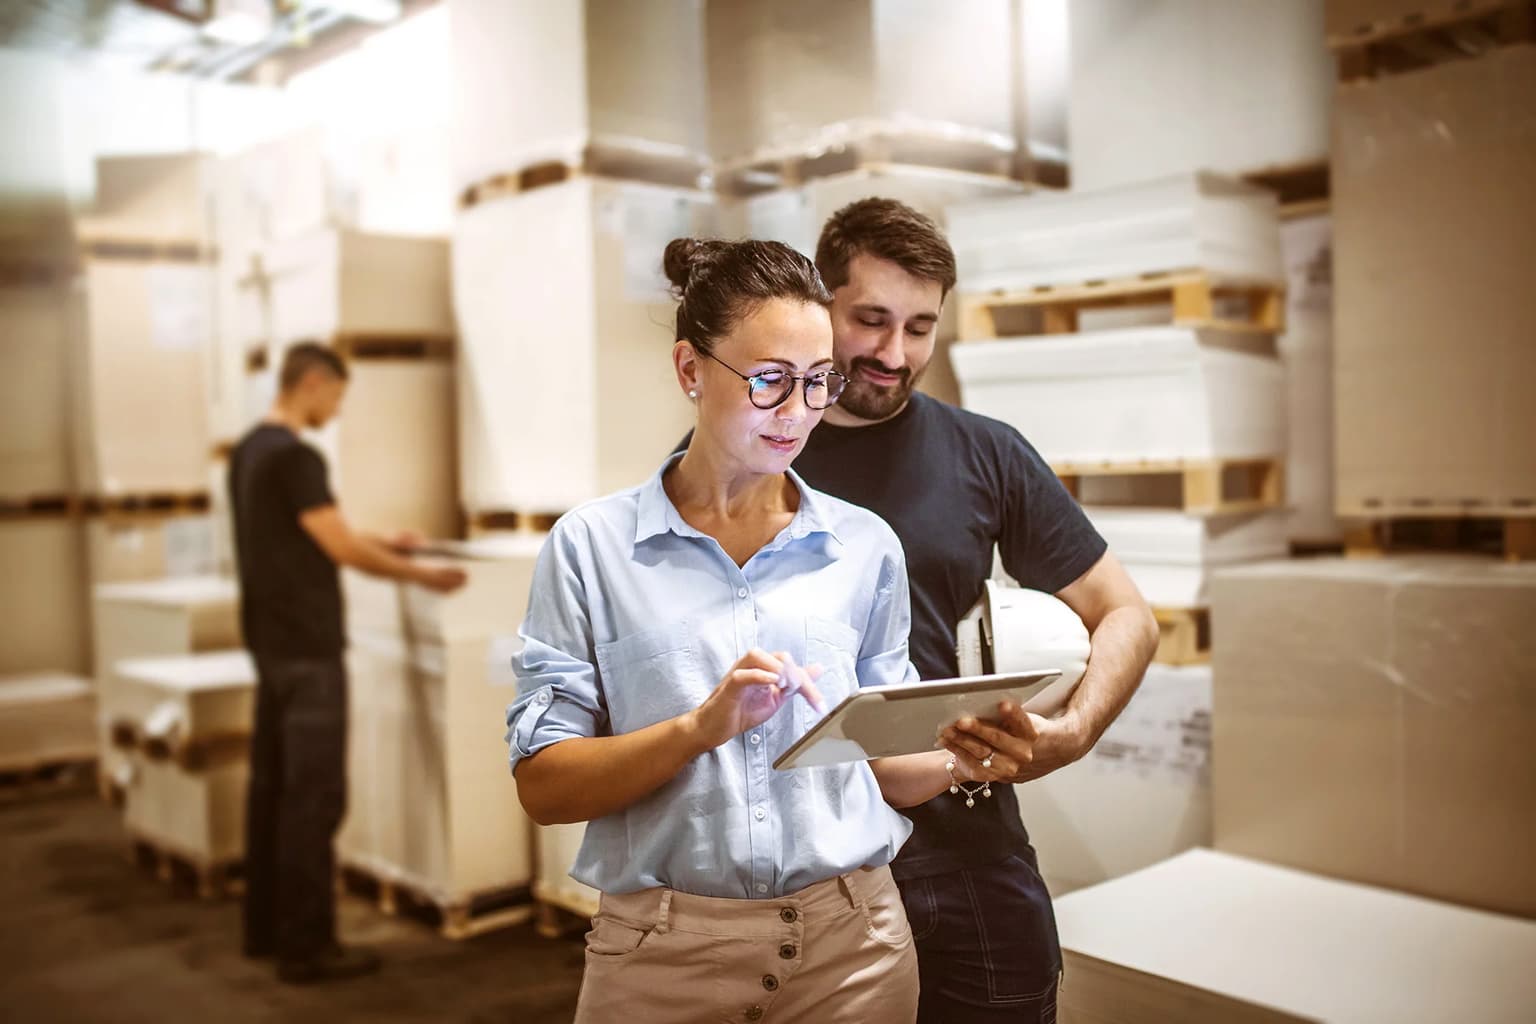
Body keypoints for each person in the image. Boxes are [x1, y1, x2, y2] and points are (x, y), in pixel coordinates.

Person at [505, 238, 1010, 1024]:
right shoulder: (591, 549)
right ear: (689, 370)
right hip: (661, 960)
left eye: (817, 383)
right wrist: (699, 728)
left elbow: (879, 767)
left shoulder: (865, 545)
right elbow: (543, 785)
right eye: (770, 380)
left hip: (856, 951)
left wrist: (963, 753)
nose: (798, 412)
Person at [708, 200, 1161, 1021]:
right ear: (819, 308)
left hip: (966, 854)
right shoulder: (742, 456)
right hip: (801, 866)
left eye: (920, 328)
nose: (893, 354)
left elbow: (1126, 613)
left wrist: (1073, 733)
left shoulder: (984, 451)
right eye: (870, 321)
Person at [228, 342, 467, 985]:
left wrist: (382, 538)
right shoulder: (297, 456)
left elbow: (304, 532)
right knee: (315, 798)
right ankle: (308, 948)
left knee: (270, 790)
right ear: (312, 383)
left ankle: (265, 931)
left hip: (270, 647)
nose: (335, 409)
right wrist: (419, 574)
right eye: (336, 395)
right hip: (308, 650)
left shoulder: (251, 451)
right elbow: (336, 546)